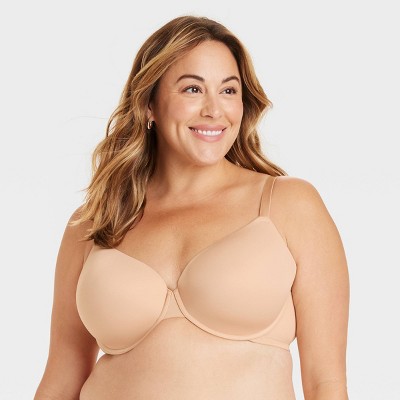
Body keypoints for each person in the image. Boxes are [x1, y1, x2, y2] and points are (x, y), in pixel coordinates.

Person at [34, 15, 349, 400]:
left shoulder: (289, 205)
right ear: (149, 104)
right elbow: (61, 379)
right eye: (192, 89)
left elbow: (326, 382)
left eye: (229, 90)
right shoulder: (95, 222)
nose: (214, 110)